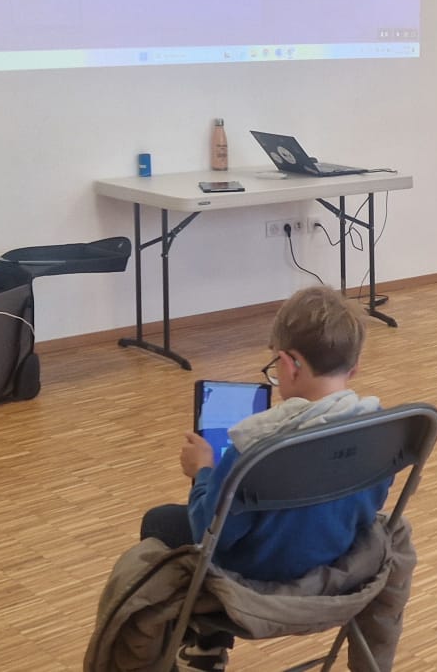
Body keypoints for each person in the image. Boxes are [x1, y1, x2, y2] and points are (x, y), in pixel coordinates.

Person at [138, 286, 391, 670]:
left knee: (160, 521)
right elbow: (373, 502)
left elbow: (210, 533)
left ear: (289, 364)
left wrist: (203, 471)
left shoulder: (255, 445)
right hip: (337, 560)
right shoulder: (380, 431)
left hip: (258, 575)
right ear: (353, 369)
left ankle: (207, 645)